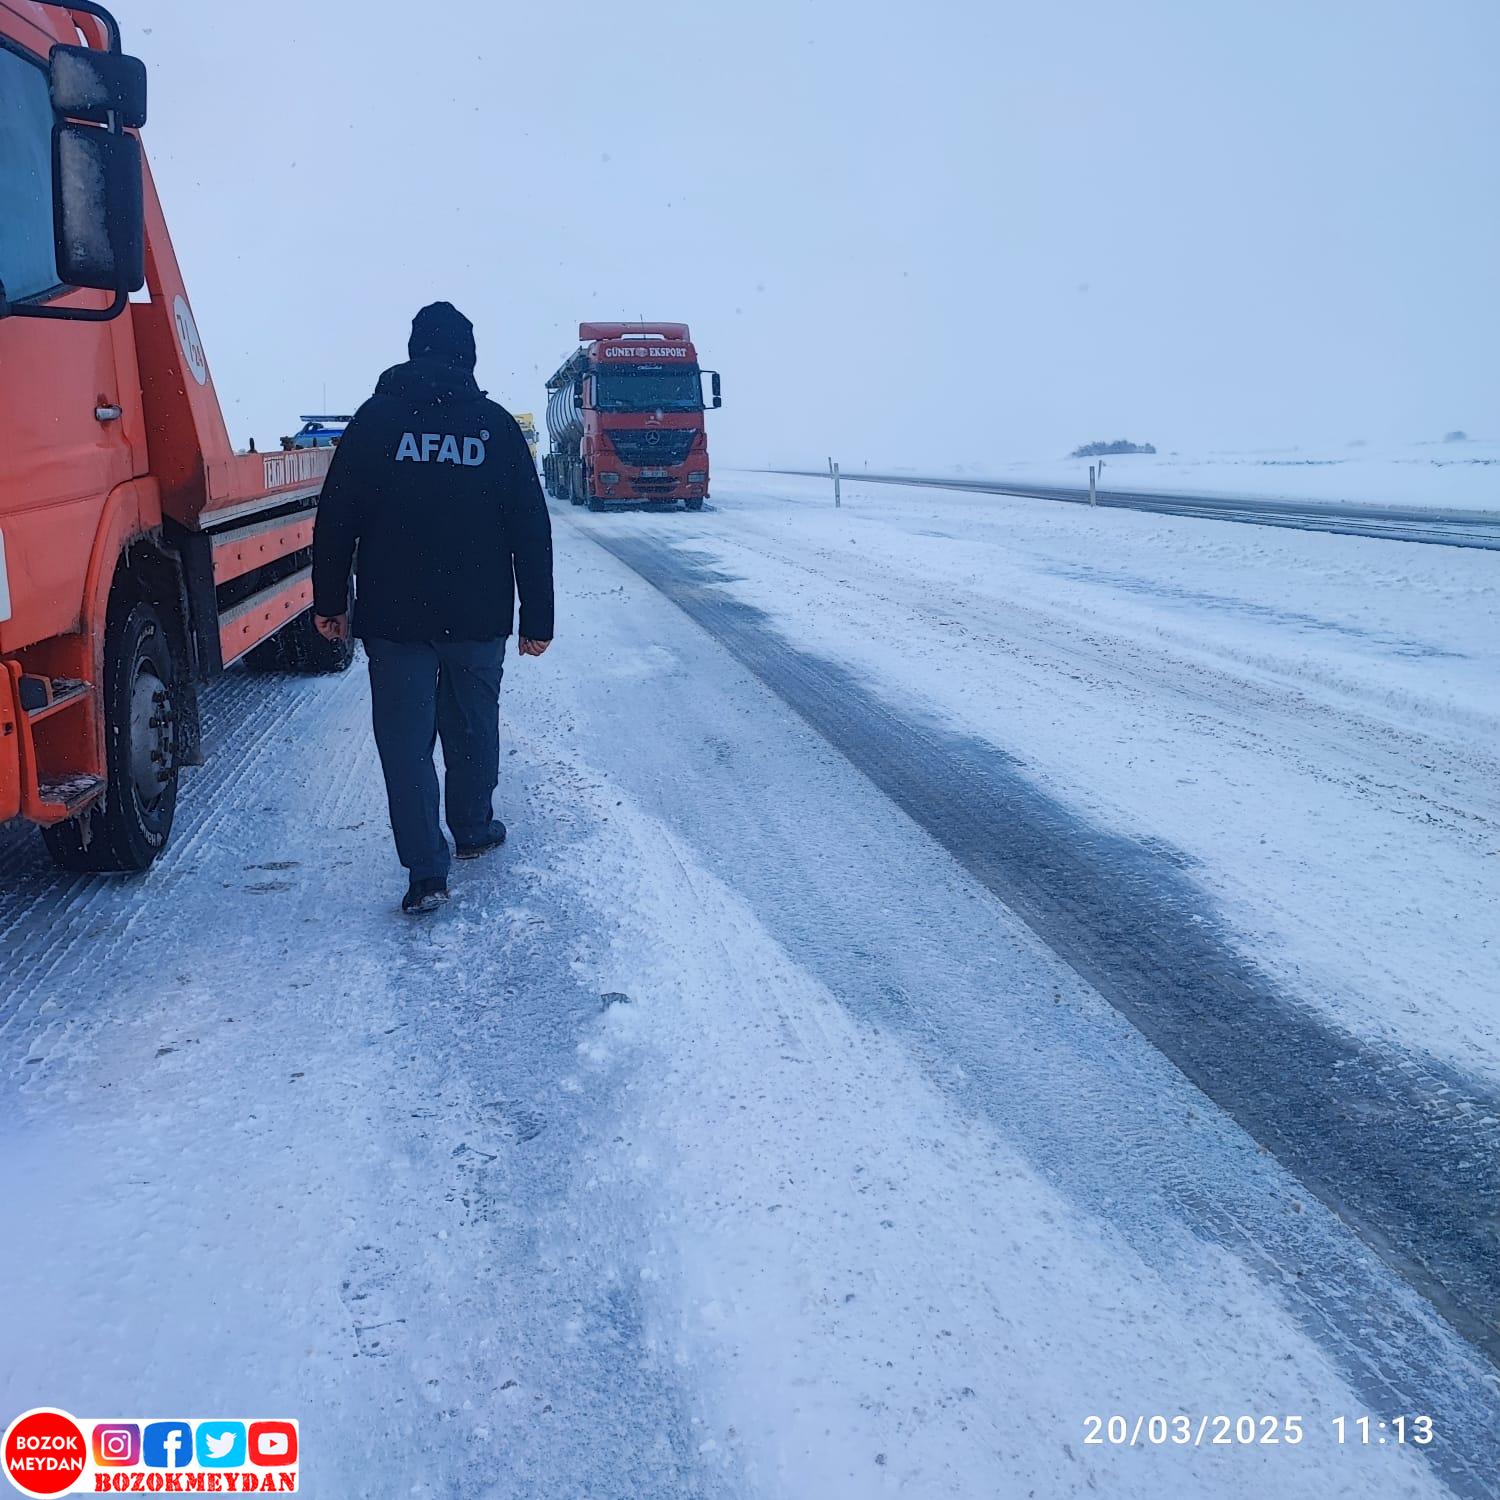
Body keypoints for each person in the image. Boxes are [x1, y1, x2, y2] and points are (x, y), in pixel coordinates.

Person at [311, 302, 554, 914]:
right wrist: (538, 618)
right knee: (472, 729)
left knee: (404, 742)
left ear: (414, 350)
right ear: (468, 357)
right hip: (478, 617)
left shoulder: (375, 422)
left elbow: (336, 517)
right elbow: (531, 525)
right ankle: (472, 829)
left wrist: (330, 600)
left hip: (395, 621)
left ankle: (425, 872)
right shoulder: (495, 427)